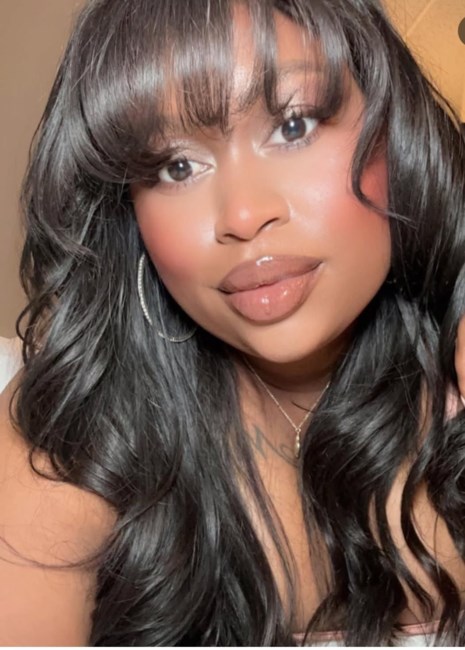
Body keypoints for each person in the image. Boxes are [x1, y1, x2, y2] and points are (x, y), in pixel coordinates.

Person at [0, 0, 465, 645]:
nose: (243, 216)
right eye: (176, 166)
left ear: (396, 130)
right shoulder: (81, 429)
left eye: (294, 125)